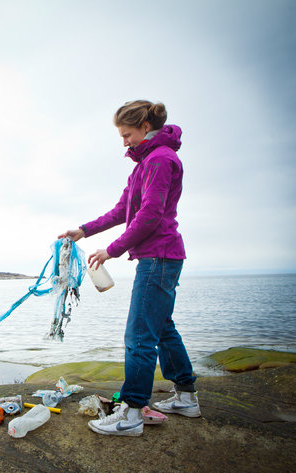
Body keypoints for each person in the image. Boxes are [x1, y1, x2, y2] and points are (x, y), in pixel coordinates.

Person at [58, 100, 200, 437]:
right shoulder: (144, 164)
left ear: (145, 127)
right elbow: (124, 209)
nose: (124, 142)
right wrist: (84, 230)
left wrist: (112, 250)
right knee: (162, 328)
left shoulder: (161, 160)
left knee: (139, 336)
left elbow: (149, 215)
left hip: (158, 257)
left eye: (127, 134)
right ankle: (187, 397)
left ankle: (132, 414)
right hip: (160, 257)